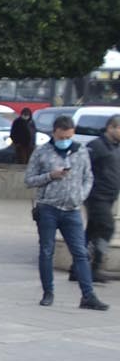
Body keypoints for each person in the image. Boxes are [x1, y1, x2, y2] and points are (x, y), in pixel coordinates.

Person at [27, 114, 106, 311]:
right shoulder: (42, 152)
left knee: (80, 252)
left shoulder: (80, 152)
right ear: (54, 133)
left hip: (72, 209)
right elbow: (29, 179)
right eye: (62, 138)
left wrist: (81, 195)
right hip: (48, 208)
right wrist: (50, 176)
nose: (65, 141)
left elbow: (88, 177)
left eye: (69, 137)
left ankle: (88, 295)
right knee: (46, 251)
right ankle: (48, 292)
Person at [88, 114, 119, 282]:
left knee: (92, 231)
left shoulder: (116, 147)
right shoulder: (97, 146)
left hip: (109, 197)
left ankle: (78, 268)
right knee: (107, 228)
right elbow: (83, 168)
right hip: (96, 196)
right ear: (111, 128)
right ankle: (96, 265)